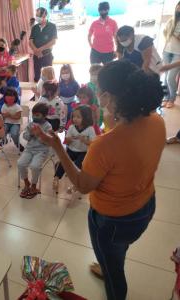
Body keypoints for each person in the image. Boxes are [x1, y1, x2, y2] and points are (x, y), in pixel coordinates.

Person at [36, 60, 165, 300]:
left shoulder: (105, 145)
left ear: (106, 96)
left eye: (98, 90)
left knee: (115, 273)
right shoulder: (157, 121)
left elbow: (83, 186)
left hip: (112, 220)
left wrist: (58, 147)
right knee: (118, 251)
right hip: (145, 206)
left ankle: (111, 273)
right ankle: (110, 263)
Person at [53, 105, 96, 195]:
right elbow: (67, 141)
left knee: (77, 166)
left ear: (86, 118)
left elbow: (93, 144)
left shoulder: (90, 129)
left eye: (78, 117)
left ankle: (75, 186)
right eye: (74, 117)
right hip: (71, 150)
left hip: (83, 152)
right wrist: (69, 140)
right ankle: (56, 178)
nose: (75, 119)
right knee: (63, 162)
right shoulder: (72, 127)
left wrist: (85, 140)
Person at [18, 103, 52, 199]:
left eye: (37, 115)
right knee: (20, 163)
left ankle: (33, 185)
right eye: (33, 114)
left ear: (45, 116)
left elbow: (48, 142)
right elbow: (25, 136)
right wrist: (30, 134)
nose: (34, 117)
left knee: (34, 166)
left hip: (42, 151)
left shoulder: (48, 126)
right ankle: (26, 182)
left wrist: (39, 134)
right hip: (29, 149)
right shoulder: (31, 124)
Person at [30, 7, 57, 82]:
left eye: (38, 16)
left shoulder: (52, 26)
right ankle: (37, 93)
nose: (37, 18)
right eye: (36, 15)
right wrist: (36, 50)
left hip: (47, 55)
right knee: (37, 76)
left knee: (48, 77)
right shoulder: (34, 28)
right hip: (36, 56)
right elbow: (30, 41)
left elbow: (53, 41)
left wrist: (40, 49)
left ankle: (49, 93)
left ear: (44, 14)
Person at [162, 1, 180, 108]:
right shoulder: (171, 20)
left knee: (170, 77)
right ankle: (166, 97)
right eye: (179, 5)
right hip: (167, 51)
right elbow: (166, 35)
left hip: (178, 53)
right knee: (165, 77)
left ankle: (172, 99)